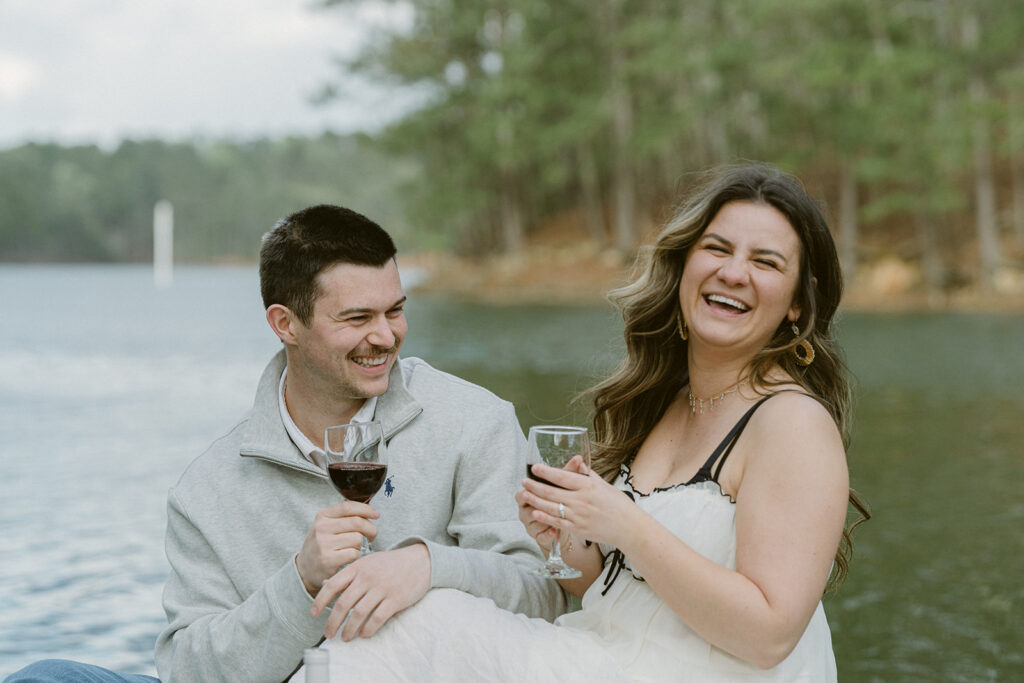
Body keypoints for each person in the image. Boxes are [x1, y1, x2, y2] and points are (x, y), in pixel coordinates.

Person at [296, 162, 869, 682]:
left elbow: (770, 635)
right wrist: (566, 539)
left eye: (766, 262)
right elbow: (613, 593)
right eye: (717, 249)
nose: (734, 273)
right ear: (686, 264)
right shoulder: (665, 402)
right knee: (396, 631)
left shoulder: (792, 423)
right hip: (605, 656)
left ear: (798, 302)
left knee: (421, 627)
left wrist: (623, 523)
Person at [6, 205, 567, 683]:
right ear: (285, 323)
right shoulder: (209, 487)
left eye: (395, 311)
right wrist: (302, 582)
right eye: (356, 318)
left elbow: (550, 598)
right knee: (46, 678)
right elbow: (187, 668)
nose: (385, 335)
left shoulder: (474, 421)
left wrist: (428, 565)